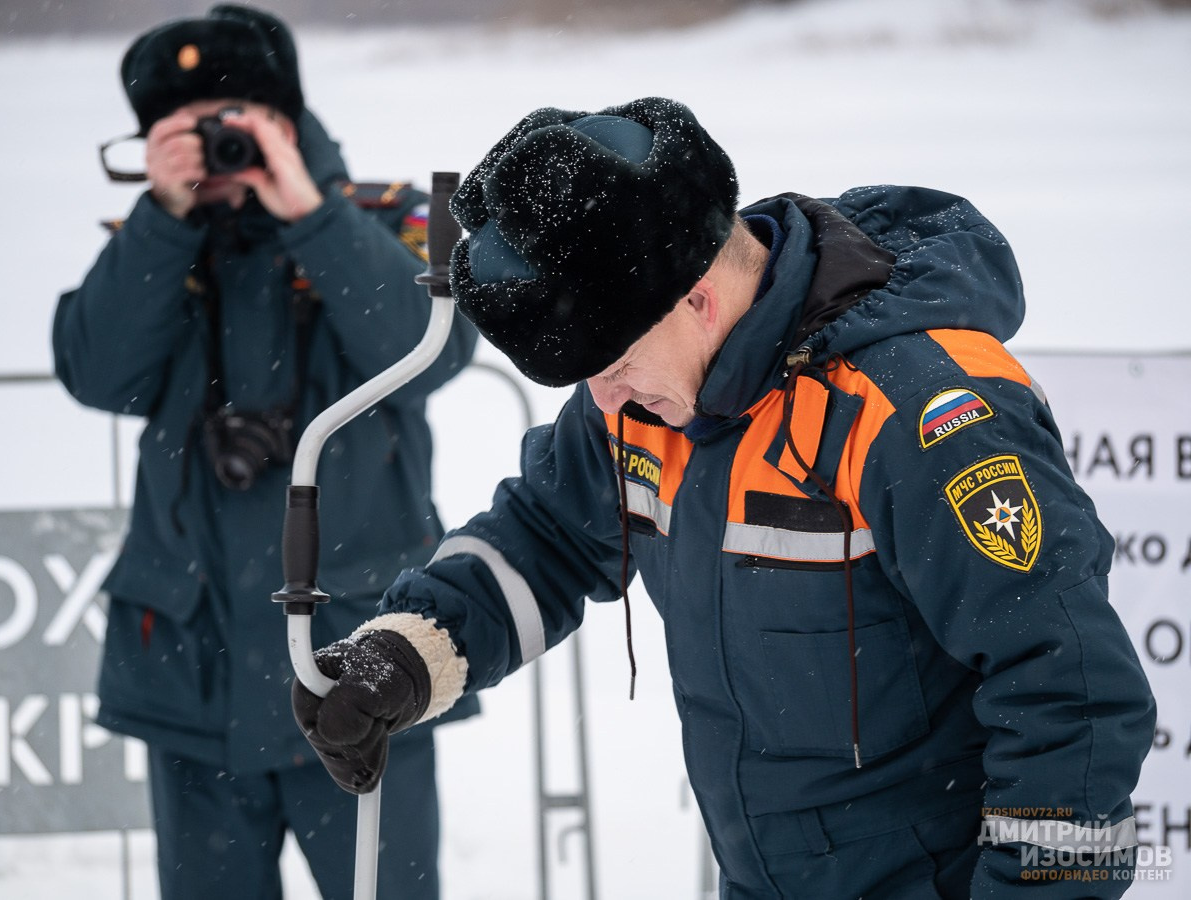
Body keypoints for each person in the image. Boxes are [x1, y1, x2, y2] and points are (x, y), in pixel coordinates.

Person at [290, 97, 1156, 898]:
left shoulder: (917, 414)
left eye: (615, 368)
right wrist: (410, 650)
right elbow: (548, 534)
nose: (604, 403)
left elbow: (1071, 694)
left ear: (699, 299)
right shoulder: (653, 391)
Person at [51, 6, 479, 899]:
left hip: (363, 670)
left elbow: (427, 349)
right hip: (191, 672)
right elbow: (96, 373)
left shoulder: (384, 223)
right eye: (185, 136)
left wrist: (309, 211)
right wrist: (165, 215)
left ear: (283, 120)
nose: (215, 154)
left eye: (232, 128)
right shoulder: (158, 247)